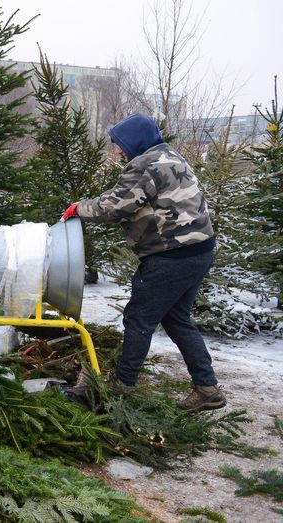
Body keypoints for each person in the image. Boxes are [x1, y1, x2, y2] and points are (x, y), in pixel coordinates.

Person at [62, 113, 225, 412]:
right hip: (199, 251)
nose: (120, 151)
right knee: (176, 319)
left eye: (121, 145)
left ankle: (122, 385)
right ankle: (207, 388)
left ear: (135, 140)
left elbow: (117, 205)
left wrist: (78, 208)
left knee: (139, 318)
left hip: (171, 255)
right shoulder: (170, 155)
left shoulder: (144, 164)